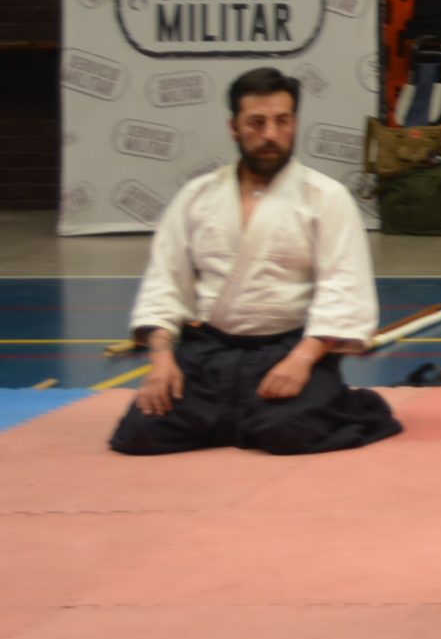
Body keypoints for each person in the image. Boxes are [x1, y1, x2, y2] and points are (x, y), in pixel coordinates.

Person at [110, 67, 401, 457]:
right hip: (209, 355)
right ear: (234, 127)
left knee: (286, 432)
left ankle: (337, 404)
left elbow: (344, 287)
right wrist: (161, 360)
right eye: (257, 122)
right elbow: (165, 282)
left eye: (283, 121)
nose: (271, 134)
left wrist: (302, 360)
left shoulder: (325, 197)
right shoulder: (198, 196)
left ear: (295, 123)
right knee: (139, 434)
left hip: (288, 348)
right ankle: (237, 416)